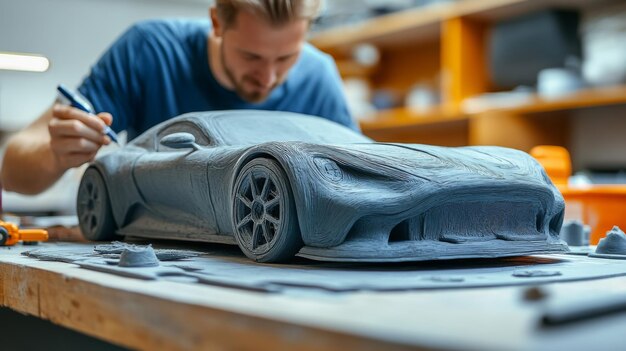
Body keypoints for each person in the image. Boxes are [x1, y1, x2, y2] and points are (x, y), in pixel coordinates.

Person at [1, 0, 357, 195]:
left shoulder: (319, 75)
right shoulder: (149, 50)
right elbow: (12, 169)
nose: (268, 77)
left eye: (286, 58)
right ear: (217, 22)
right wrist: (54, 154)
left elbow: (363, 175)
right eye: (251, 57)